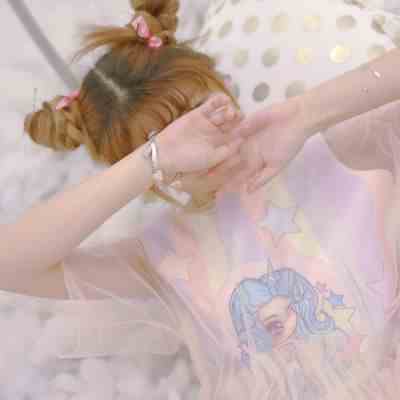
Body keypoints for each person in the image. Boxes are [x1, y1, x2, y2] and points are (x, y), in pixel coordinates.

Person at [5, 0, 400, 398]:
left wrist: (303, 113)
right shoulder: (166, 256)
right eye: (168, 143)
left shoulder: (329, 152)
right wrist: (151, 159)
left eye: (197, 112)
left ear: (220, 87)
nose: (199, 147)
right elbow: (10, 265)